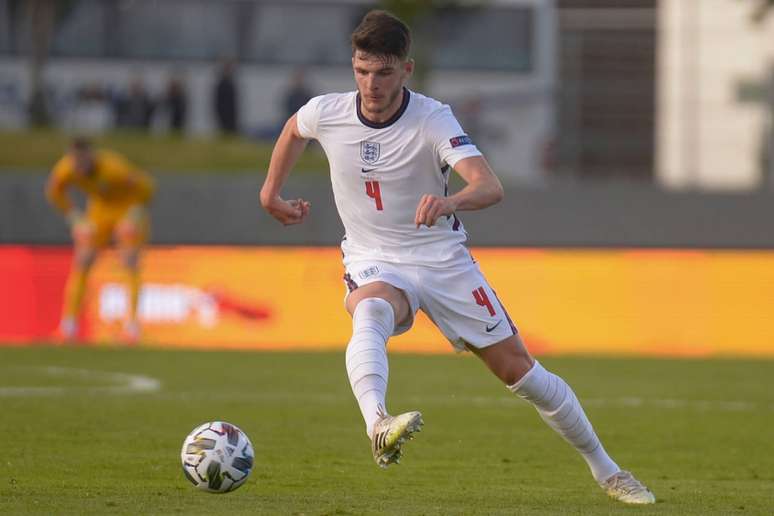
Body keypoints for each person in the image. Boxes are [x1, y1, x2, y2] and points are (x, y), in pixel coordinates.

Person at [260, 10, 655, 505]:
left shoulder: (432, 117)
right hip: (374, 255)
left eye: (383, 72)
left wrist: (450, 201)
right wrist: (270, 192)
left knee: (522, 373)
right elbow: (295, 129)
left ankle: (608, 471)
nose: (370, 84)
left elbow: (489, 185)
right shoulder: (329, 111)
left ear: (406, 69)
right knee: (372, 308)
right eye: (362, 70)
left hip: (442, 260)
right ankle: (378, 423)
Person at [46, 138, 155, 343]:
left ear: (91, 156)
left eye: (81, 161)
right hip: (100, 211)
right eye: (74, 161)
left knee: (129, 260)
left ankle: (132, 328)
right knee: (83, 259)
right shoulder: (65, 170)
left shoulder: (114, 167)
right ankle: (68, 326)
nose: (77, 167)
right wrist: (74, 218)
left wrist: (135, 213)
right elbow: (54, 192)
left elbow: (146, 187)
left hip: (126, 207)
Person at [214, 59, 239, 135]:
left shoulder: (230, 82)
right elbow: (218, 102)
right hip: (225, 116)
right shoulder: (222, 84)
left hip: (231, 116)